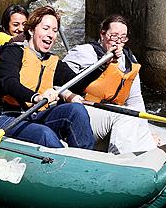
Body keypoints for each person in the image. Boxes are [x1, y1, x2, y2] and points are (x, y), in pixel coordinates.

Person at [0, 6, 95, 149]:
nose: (51, 35)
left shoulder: (53, 61)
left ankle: (86, 159)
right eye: (46, 28)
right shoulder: (13, 51)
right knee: (44, 133)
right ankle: (64, 165)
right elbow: (8, 83)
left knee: (76, 110)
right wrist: (36, 97)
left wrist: (104, 64)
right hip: (5, 116)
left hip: (35, 116)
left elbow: (79, 83)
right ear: (31, 30)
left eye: (54, 31)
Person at [63, 14, 157, 155]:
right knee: (125, 115)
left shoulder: (129, 61)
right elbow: (58, 81)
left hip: (109, 112)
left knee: (133, 115)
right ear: (102, 34)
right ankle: (118, 160)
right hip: (83, 113)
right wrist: (70, 96)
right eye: (113, 36)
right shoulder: (83, 53)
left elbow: (136, 100)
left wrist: (145, 133)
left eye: (122, 38)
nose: (117, 42)